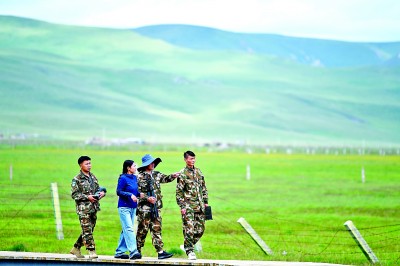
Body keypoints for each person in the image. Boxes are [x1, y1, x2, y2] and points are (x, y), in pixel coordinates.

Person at [136, 154, 180, 259]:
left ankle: (160, 252)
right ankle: (137, 251)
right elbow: (136, 193)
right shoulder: (139, 177)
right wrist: (147, 198)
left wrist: (173, 176)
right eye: (150, 162)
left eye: (153, 162)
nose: (153, 164)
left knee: (157, 229)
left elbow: (165, 178)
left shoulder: (156, 174)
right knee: (143, 230)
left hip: (156, 207)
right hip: (144, 209)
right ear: (146, 164)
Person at [70, 156, 106, 259]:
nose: (89, 165)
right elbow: (74, 195)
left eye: (90, 163)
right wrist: (87, 197)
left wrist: (101, 193)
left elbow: (97, 189)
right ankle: (91, 251)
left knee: (89, 229)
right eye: (86, 164)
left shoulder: (93, 177)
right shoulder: (76, 179)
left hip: (93, 208)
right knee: (87, 230)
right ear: (81, 165)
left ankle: (76, 248)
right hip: (83, 209)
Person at [176, 150, 209, 260]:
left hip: (200, 205)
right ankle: (190, 251)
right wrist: (182, 206)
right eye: (190, 159)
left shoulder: (199, 172)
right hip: (188, 206)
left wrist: (206, 202)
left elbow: (203, 188)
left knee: (200, 229)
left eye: (194, 158)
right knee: (189, 229)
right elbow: (179, 191)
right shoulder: (182, 174)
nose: (193, 160)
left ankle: (186, 245)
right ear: (185, 160)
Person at [114, 160, 142, 260]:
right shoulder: (123, 178)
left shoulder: (134, 178)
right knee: (129, 228)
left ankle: (119, 252)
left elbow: (134, 191)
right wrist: (130, 195)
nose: (136, 167)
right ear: (128, 168)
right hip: (124, 207)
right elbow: (119, 191)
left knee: (126, 229)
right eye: (134, 166)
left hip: (133, 207)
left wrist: (140, 195)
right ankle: (133, 251)